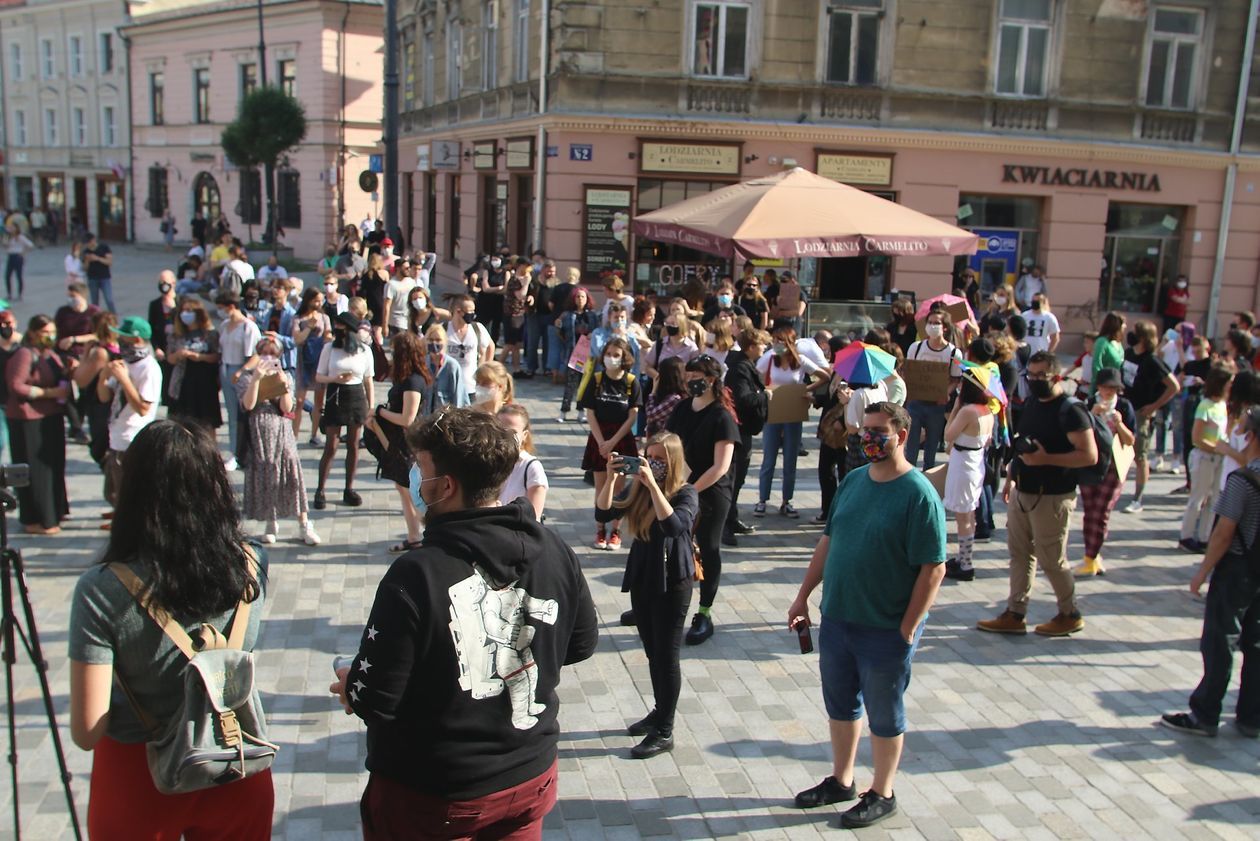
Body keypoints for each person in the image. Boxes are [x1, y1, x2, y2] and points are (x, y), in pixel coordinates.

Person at [330, 408, 597, 839]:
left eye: (420, 467)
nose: (414, 476)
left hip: (438, 792)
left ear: (446, 486)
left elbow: (375, 698)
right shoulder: (551, 545)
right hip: (529, 773)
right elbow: (580, 642)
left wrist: (350, 680)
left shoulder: (416, 573)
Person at [68, 419, 273, 840]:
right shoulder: (252, 562)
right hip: (232, 759)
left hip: (137, 774)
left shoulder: (102, 588)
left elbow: (87, 730)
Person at [787, 401, 945, 829]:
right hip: (839, 616)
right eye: (866, 431)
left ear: (903, 436)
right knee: (840, 704)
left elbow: (933, 568)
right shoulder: (854, 480)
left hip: (885, 626)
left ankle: (883, 790)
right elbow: (829, 541)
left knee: (884, 711)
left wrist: (908, 627)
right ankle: (841, 779)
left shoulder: (919, 495)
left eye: (879, 431)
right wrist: (803, 596)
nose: (869, 438)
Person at [977, 351, 1096, 637]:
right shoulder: (1031, 403)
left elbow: (1089, 455)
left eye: (1039, 375)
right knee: (1019, 554)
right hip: (1023, 490)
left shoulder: (1071, 411)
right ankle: (1015, 612)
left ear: (1056, 376)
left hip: (1053, 495)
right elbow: (1022, 445)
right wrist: (1012, 478)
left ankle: (1070, 613)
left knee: (1051, 559)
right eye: (1029, 374)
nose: (1032, 380)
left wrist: (1047, 459)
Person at [1159, 404, 1260, 739]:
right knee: (1256, 643)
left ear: (1251, 435)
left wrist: (1202, 571)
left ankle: (1205, 713)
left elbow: (1223, 531)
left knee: (1220, 642)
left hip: (1237, 569)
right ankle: (1251, 715)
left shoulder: (1242, 481)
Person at [597, 434, 697, 759]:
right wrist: (612, 479)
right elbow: (603, 513)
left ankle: (665, 730)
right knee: (652, 651)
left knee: (667, 655)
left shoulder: (686, 493)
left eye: (660, 459)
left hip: (673, 581)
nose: (652, 463)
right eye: (648, 456)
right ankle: (660, 710)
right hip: (644, 575)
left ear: (673, 462)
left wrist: (654, 486)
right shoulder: (637, 489)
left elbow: (674, 526)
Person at [667, 355, 739, 645]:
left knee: (708, 548)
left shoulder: (722, 416)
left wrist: (691, 491)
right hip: (680, 487)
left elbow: (720, 466)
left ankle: (704, 613)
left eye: (695, 377)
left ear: (710, 380)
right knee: (669, 544)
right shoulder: (683, 407)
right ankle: (664, 602)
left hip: (710, 493)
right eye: (687, 376)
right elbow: (670, 445)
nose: (689, 382)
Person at [236, 336, 320, 546]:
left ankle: (304, 524)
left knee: (291, 472)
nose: (268, 357)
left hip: (281, 431)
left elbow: (287, 408)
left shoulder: (286, 377)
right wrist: (256, 378)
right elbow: (248, 404)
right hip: (258, 432)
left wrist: (282, 385)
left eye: (273, 353)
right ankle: (271, 522)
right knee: (266, 473)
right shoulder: (247, 377)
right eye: (264, 352)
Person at [366, 331, 432, 552]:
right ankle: (414, 536)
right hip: (399, 443)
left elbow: (407, 419)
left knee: (412, 492)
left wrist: (379, 412)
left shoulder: (414, 381)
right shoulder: (406, 378)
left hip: (408, 445)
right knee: (404, 489)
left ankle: (428, 535)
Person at [5, 315, 71, 534]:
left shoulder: (50, 353)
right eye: (45, 333)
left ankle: (54, 512)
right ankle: (36, 519)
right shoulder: (25, 354)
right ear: (33, 333)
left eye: (52, 332)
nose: (49, 337)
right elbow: (16, 385)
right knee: (36, 472)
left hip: (51, 417)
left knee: (53, 467)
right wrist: (47, 393)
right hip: (28, 420)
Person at [96, 316, 162, 525]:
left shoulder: (148, 368)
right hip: (116, 435)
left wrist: (125, 380)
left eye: (124, 338)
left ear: (137, 340)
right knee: (113, 488)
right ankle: (120, 514)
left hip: (132, 437)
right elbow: (104, 396)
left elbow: (143, 408)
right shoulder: (125, 363)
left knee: (129, 489)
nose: (120, 343)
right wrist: (104, 375)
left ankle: (127, 523)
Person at [754, 326, 823, 518]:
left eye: (781, 341)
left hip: (792, 412)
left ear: (790, 343)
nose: (777, 345)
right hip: (773, 411)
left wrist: (805, 390)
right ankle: (762, 500)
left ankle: (787, 500)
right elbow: (756, 374)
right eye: (775, 341)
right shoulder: (769, 358)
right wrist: (763, 390)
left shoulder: (800, 361)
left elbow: (824, 376)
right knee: (769, 457)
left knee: (790, 459)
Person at [1075, 367, 1137, 577]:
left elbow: (1131, 441)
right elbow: (1078, 433)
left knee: (1102, 513)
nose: (1108, 391)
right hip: (1091, 463)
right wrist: (1093, 415)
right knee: (1089, 512)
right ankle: (1091, 556)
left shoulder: (1125, 406)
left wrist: (1119, 424)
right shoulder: (1088, 403)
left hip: (1114, 465)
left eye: (1112, 388)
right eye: (1104, 387)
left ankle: (1091, 557)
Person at [580, 337, 640, 550]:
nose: (611, 358)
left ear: (624, 358)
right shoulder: (597, 379)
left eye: (616, 355)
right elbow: (590, 412)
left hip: (621, 438)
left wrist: (613, 441)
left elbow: (633, 416)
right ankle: (600, 528)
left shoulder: (632, 381)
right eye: (608, 354)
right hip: (599, 437)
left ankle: (616, 530)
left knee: (619, 488)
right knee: (601, 486)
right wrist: (601, 443)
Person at [313, 311, 375, 509]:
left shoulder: (364, 350)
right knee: (331, 445)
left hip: (356, 396)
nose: (338, 331)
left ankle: (349, 488)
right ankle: (320, 489)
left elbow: (368, 379)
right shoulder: (329, 348)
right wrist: (334, 379)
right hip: (336, 394)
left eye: (342, 328)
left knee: (353, 444)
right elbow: (319, 376)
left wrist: (371, 406)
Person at [941, 366, 996, 582]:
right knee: (969, 514)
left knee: (963, 516)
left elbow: (948, 434)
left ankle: (965, 564)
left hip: (964, 464)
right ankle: (964, 559)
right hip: (975, 461)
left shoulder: (968, 411)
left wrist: (955, 408)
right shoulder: (987, 411)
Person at [1121, 321, 1180, 512]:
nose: (1131, 335)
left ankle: (1137, 499)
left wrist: (1154, 406)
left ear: (1144, 338)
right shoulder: (1129, 353)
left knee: (1140, 456)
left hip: (1140, 413)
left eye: (1136, 333)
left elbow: (1174, 386)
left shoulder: (1152, 361)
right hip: (1125, 409)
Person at [1179, 365, 1233, 553]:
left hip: (1218, 459)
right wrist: (1218, 449)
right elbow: (1197, 438)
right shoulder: (1205, 405)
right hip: (1204, 457)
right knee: (1198, 498)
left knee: (1214, 499)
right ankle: (1186, 536)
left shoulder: (1223, 405)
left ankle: (1204, 536)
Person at [903, 309, 963, 470]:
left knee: (932, 445)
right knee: (912, 443)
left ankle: (928, 476)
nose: (932, 326)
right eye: (930, 322)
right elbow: (909, 372)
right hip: (915, 402)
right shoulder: (916, 347)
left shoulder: (954, 353)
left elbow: (955, 379)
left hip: (937, 404)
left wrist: (945, 393)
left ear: (945, 327)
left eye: (936, 323)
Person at [216, 291, 261, 470]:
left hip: (240, 370)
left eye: (222, 308)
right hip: (225, 368)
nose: (220, 311)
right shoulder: (225, 324)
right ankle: (235, 451)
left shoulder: (248, 327)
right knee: (231, 413)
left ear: (231, 307)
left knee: (241, 415)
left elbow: (255, 355)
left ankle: (240, 452)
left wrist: (242, 370)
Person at [166, 297, 223, 430]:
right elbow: (170, 359)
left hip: (205, 383)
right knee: (182, 424)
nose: (185, 313)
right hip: (183, 382)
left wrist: (199, 357)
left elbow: (217, 356)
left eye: (189, 310)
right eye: (183, 310)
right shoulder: (175, 336)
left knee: (207, 424)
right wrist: (179, 354)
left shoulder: (210, 334)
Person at [72, 311, 119, 467]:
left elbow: (81, 380)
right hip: (114, 403)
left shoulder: (100, 352)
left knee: (100, 449)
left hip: (100, 405)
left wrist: (84, 356)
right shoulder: (118, 347)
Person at [497, 403, 549, 520]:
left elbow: (534, 519)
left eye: (512, 432)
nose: (505, 435)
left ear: (524, 435)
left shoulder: (531, 468)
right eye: (500, 429)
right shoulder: (488, 461)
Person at [293, 287, 331, 444]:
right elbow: (297, 339)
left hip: (319, 360)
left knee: (318, 402)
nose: (319, 303)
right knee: (300, 401)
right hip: (303, 361)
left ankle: (314, 434)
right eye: (316, 300)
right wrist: (308, 326)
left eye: (321, 300)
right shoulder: (298, 319)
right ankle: (294, 436)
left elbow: (328, 335)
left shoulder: (324, 317)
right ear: (308, 300)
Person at [557, 286, 599, 422]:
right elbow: (561, 332)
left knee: (585, 383)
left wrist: (593, 334)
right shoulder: (567, 315)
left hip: (588, 352)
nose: (580, 299)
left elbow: (598, 331)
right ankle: (564, 410)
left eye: (583, 297)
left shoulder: (592, 315)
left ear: (587, 299)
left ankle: (581, 411)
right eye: (578, 297)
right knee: (570, 382)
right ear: (573, 299)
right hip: (573, 351)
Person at [446, 295, 495, 403]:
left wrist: (485, 367)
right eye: (470, 311)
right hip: (448, 385)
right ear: (459, 312)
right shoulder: (444, 329)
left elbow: (490, 346)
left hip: (471, 385)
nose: (472, 314)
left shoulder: (477, 328)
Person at [424, 324, 471, 413]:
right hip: (424, 418)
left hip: (444, 419)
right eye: (430, 340)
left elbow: (459, 397)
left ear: (445, 342)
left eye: (438, 340)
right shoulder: (422, 364)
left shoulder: (452, 366)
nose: (434, 343)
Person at [147, 271, 178, 399]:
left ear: (173, 283)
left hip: (178, 347)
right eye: (161, 283)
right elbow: (151, 329)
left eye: (166, 283)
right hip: (163, 348)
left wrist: (174, 308)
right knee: (165, 380)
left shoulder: (181, 301)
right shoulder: (155, 305)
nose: (163, 286)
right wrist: (156, 348)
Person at [645, 357, 688, 437]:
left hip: (666, 440)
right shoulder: (672, 396)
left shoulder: (674, 399)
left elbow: (651, 415)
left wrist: (653, 392)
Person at [0, 309, 21, 460]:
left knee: (18, 442)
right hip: (1, 399)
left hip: (17, 400)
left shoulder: (23, 344)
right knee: (1, 440)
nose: (5, 326)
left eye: (8, 323)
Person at [1092, 312, 1125, 395]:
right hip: (1104, 387)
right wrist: (1101, 385)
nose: (1125, 326)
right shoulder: (1102, 342)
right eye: (1123, 324)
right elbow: (1096, 364)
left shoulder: (1118, 342)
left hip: (1116, 386)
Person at [81, 233, 116, 312]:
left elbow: (109, 262)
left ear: (93, 240)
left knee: (109, 299)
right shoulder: (85, 251)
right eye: (86, 243)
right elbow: (84, 268)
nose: (87, 245)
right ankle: (96, 318)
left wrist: (97, 258)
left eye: (88, 242)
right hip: (92, 278)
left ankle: (113, 315)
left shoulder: (104, 247)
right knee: (94, 302)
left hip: (104, 277)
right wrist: (87, 261)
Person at [5, 222, 33, 300]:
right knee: (7, 275)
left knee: (19, 276)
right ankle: (9, 294)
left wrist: (23, 252)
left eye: (12, 227)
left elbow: (30, 245)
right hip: (10, 256)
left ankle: (20, 294)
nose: (11, 229)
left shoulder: (21, 237)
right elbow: (6, 245)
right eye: (10, 228)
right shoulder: (8, 237)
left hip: (18, 256)